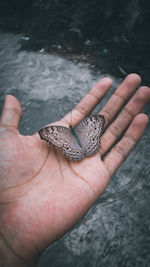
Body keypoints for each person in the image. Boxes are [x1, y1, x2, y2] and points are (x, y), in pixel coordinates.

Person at [0, 74, 149, 267]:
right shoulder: (87, 125)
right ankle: (86, 145)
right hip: (88, 144)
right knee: (90, 137)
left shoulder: (59, 133)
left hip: (71, 146)